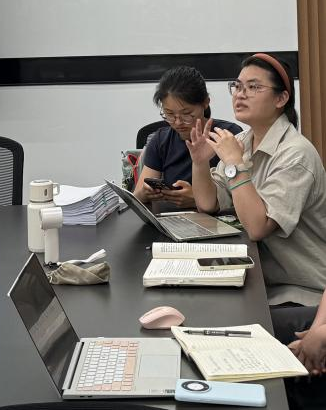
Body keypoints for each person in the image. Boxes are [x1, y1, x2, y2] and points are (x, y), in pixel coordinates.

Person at [189, 52, 326, 307]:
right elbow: (209, 203)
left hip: (302, 293)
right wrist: (199, 163)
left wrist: (234, 163)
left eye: (253, 87)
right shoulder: (243, 141)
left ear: (281, 98)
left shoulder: (296, 154)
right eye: (238, 86)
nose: (240, 95)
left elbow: (257, 227)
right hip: (260, 280)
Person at [133, 65, 241, 209]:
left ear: (205, 102)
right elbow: (137, 196)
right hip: (171, 218)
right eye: (169, 114)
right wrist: (146, 193)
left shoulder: (227, 136)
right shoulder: (160, 140)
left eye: (187, 114)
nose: (178, 122)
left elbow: (240, 195)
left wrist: (199, 198)